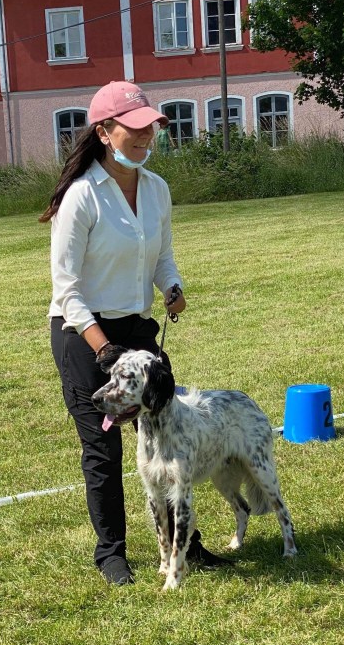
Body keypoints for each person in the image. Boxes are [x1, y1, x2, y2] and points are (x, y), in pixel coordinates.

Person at [41, 80, 223, 585]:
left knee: (171, 436)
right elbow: (66, 289)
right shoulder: (81, 197)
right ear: (104, 132)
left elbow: (162, 257)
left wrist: (172, 287)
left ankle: (185, 545)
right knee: (103, 448)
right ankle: (111, 555)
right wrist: (103, 350)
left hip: (136, 330)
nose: (146, 137)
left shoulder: (157, 188)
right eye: (135, 129)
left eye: (151, 129)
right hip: (84, 333)